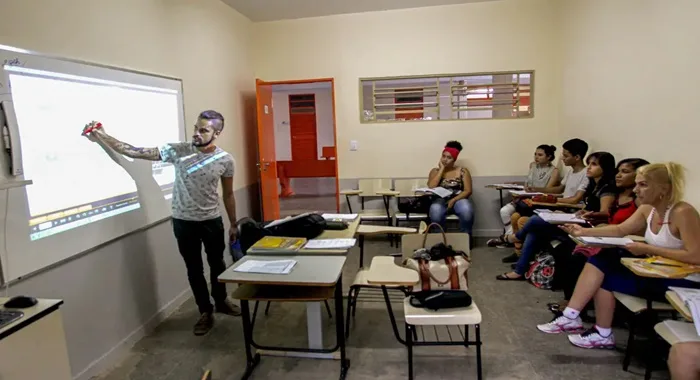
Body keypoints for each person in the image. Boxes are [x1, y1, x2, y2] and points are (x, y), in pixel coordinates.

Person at [81, 110, 241, 336]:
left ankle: (221, 301)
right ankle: (205, 312)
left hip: (211, 221)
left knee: (217, 265)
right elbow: (133, 152)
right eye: (196, 127)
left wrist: (233, 224)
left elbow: (228, 194)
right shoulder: (177, 150)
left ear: (217, 133)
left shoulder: (225, 160)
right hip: (184, 222)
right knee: (194, 269)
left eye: (203, 130)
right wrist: (101, 135)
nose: (196, 133)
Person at [537, 162, 700, 349]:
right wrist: (582, 232)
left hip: (683, 281)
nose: (636, 190)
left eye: (643, 185)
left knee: (607, 277)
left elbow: (695, 256)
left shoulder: (683, 212)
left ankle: (592, 328)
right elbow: (621, 229)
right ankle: (575, 318)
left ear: (664, 188)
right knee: (603, 259)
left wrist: (649, 249)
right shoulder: (648, 209)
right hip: (657, 273)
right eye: (637, 184)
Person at [495, 151, 616, 280]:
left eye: (594, 164)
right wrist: (579, 212)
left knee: (535, 220)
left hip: (586, 227)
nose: (589, 167)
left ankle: (515, 239)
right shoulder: (593, 185)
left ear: (605, 168)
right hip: (576, 219)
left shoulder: (607, 189)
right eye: (589, 164)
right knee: (534, 230)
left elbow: (605, 213)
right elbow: (583, 205)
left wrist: (585, 213)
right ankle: (520, 270)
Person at [550, 158, 649, 312]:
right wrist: (593, 218)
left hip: (623, 243)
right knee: (563, 248)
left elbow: (628, 229)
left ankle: (577, 306)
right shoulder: (618, 194)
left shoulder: (641, 203)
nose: (618, 175)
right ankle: (571, 300)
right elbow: (611, 218)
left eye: (625, 172)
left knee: (580, 256)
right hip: (608, 235)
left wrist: (589, 230)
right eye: (618, 171)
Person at [495, 138, 590, 263]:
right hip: (558, 207)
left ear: (577, 157)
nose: (562, 158)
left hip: (567, 211)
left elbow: (575, 199)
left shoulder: (585, 174)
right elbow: (559, 189)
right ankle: (519, 254)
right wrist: (537, 191)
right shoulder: (571, 172)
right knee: (515, 216)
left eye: (565, 155)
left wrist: (549, 201)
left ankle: (520, 249)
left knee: (523, 220)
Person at [487, 144, 560, 246]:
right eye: (535, 154)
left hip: (538, 201)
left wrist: (533, 190)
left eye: (540, 155)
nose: (536, 157)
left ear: (549, 157)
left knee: (519, 213)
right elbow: (528, 184)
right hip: (524, 197)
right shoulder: (532, 165)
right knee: (504, 211)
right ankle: (510, 237)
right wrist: (516, 184)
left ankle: (511, 239)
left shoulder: (554, 171)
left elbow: (547, 190)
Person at [427, 141, 474, 235]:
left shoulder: (463, 171)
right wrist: (441, 169)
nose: (445, 160)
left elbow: (468, 191)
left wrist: (454, 200)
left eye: (449, 157)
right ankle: (440, 240)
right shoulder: (435, 171)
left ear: (454, 160)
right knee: (435, 210)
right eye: (443, 156)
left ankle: (465, 239)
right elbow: (431, 186)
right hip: (440, 199)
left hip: (458, 199)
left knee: (467, 209)